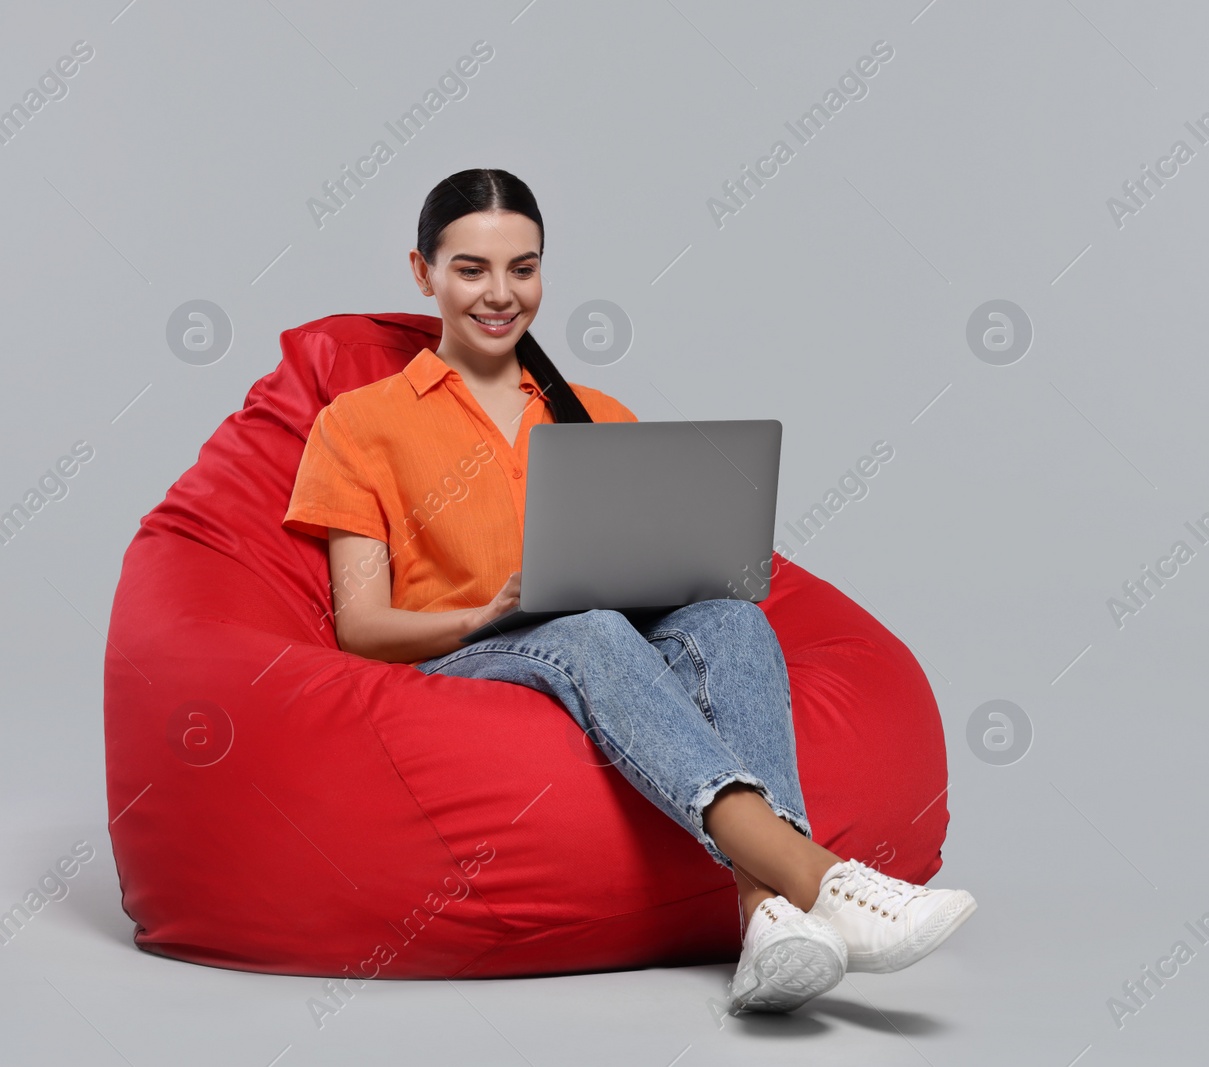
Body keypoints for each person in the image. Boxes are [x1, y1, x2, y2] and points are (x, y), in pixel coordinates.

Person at [282, 167, 975, 1013]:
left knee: (730, 615)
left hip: (600, 636)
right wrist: (485, 611)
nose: (501, 294)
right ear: (423, 273)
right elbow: (360, 626)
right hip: (461, 658)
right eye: (471, 269)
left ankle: (768, 923)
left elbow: (658, 569)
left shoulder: (594, 411)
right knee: (591, 630)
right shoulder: (359, 423)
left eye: (523, 268)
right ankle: (821, 882)